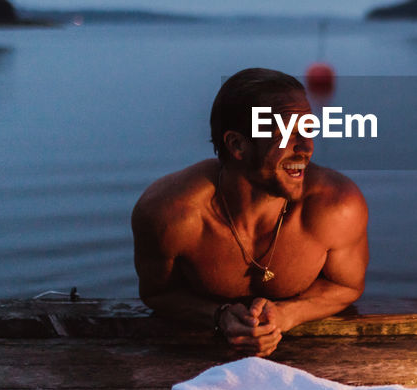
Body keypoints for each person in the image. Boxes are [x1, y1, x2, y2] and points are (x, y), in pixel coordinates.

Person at [132, 68, 369, 357]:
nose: (306, 148)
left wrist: (289, 314)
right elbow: (157, 293)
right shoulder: (171, 214)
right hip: (193, 359)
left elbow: (346, 286)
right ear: (237, 145)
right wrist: (217, 316)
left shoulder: (336, 206)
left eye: (308, 130)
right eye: (286, 133)